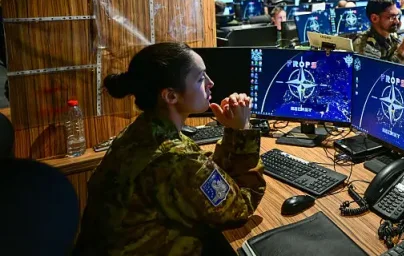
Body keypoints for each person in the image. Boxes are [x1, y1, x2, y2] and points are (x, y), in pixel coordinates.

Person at [73, 42, 265, 255]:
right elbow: (240, 209)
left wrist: (232, 132)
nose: (211, 83)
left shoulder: (144, 130)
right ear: (171, 96)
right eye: (201, 78)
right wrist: (243, 130)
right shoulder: (175, 157)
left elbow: (205, 179)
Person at [353, 0, 404, 66]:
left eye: (397, 16)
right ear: (374, 18)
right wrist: (402, 50)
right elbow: (379, 74)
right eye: (392, 17)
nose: (397, 21)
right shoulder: (363, 45)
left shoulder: (394, 38)